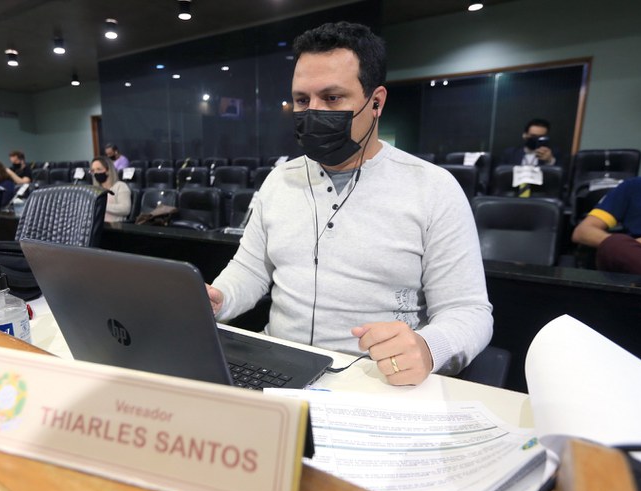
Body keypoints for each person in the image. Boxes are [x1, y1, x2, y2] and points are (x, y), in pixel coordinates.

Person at [206, 22, 492, 386]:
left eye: (332, 98)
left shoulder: (433, 188)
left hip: (374, 377)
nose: (313, 112)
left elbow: (468, 310)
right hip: (275, 367)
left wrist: (428, 347)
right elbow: (250, 270)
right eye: (302, 100)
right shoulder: (279, 180)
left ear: (376, 102)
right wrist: (220, 297)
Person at [571, 176, 641, 275]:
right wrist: (624, 245)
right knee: (614, 245)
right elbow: (582, 232)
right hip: (632, 257)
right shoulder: (635, 186)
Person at [90, 156, 131, 222]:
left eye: (99, 169)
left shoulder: (120, 186)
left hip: (115, 226)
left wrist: (101, 205)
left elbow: (125, 209)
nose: (96, 173)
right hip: (98, 225)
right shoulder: (95, 189)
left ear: (108, 170)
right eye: (93, 170)